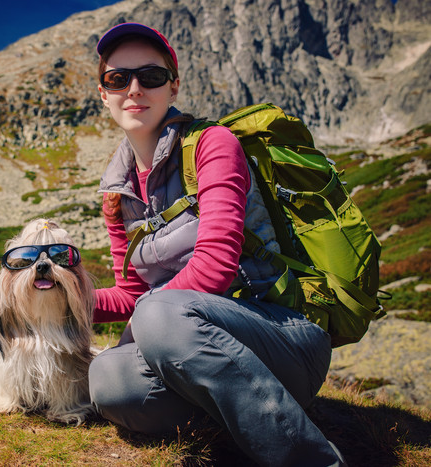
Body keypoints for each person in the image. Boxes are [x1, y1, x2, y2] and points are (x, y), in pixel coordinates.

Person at [88, 22, 347, 466]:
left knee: (157, 313)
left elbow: (215, 266)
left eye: (150, 77)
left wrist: (143, 324)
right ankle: (250, 424)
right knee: (108, 380)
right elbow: (129, 295)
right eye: (118, 79)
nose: (134, 89)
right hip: (188, 343)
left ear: (173, 87)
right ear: (103, 92)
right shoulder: (117, 193)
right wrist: (55, 297)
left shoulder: (213, 144)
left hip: (282, 337)